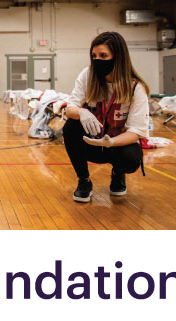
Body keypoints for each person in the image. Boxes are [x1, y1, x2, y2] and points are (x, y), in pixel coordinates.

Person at [63, 31, 150, 203]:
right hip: (91, 143)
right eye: (94, 56)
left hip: (117, 146)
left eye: (103, 55)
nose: (97, 60)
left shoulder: (136, 88)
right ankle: (84, 181)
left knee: (131, 158)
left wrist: (110, 142)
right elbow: (69, 108)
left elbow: (137, 131)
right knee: (70, 127)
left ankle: (118, 173)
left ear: (118, 57)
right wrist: (82, 112)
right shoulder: (88, 75)